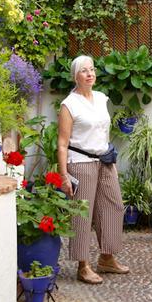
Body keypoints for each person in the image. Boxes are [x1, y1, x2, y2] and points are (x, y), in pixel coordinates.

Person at [57, 55, 128, 285]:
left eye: (92, 69)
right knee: (82, 216)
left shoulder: (101, 98)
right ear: (75, 76)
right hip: (80, 163)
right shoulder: (69, 104)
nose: (90, 74)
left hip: (104, 160)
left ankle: (107, 258)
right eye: (84, 70)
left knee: (113, 206)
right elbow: (62, 143)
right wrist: (64, 174)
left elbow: (104, 134)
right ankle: (83, 265)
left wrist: (112, 162)